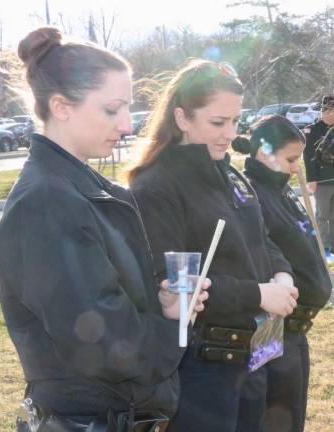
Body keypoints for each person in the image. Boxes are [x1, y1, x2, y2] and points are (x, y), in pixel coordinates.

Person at [0, 28, 210, 432]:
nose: (126, 124)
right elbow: (102, 342)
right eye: (112, 109)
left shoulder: (82, 187)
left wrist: (165, 309)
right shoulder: (48, 202)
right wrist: (170, 329)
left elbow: (109, 302)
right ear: (61, 106)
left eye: (128, 108)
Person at [127, 58, 299, 432]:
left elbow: (261, 237)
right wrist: (257, 294)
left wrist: (282, 275)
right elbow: (171, 283)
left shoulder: (231, 173)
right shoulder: (156, 186)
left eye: (236, 121)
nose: (229, 133)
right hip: (200, 370)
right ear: (183, 118)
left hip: (253, 356)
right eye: (217, 123)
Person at [232, 114, 332, 431]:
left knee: (293, 416)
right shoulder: (251, 195)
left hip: (297, 329)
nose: (295, 168)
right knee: (274, 416)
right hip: (273, 327)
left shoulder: (281, 191)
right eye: (290, 159)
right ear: (264, 151)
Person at [303, 95, 334, 262]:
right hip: (321, 180)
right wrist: (311, 179)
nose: (327, 114)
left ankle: (333, 246)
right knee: (322, 214)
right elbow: (308, 157)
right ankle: (323, 247)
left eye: (331, 110)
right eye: (325, 110)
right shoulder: (313, 130)